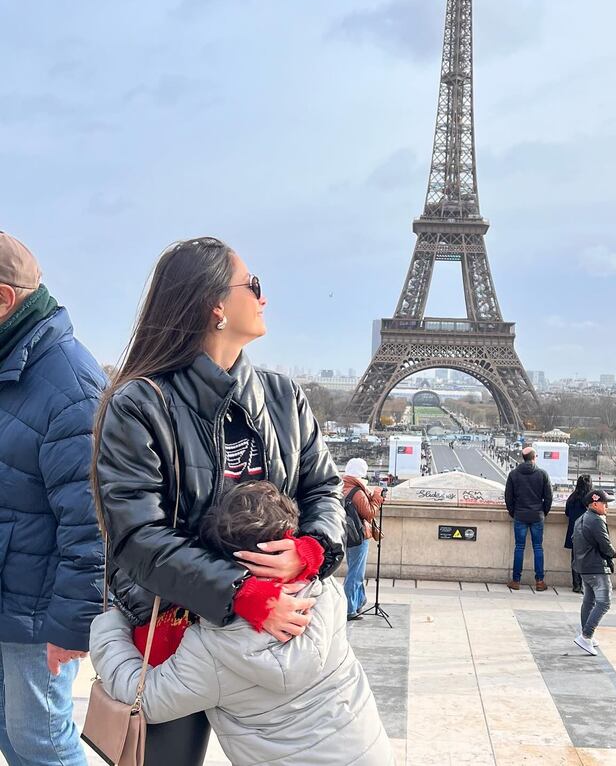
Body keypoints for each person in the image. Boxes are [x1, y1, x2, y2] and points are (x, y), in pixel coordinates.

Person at [93, 237, 346, 763]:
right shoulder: (138, 404)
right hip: (174, 628)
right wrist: (239, 594)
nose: (264, 298)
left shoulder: (283, 396)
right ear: (216, 304)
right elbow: (137, 537)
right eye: (253, 286)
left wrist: (312, 549)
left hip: (271, 628)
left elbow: (323, 490)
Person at [90, 481, 393, 766]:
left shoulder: (216, 649)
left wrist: (108, 624)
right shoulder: (326, 592)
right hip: (365, 753)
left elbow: (142, 698)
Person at [0, 232, 105, 766]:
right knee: (17, 741)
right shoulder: (13, 362)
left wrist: (71, 627)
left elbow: (92, 523)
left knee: (43, 745)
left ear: (4, 299)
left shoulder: (68, 380)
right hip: (11, 600)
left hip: (36, 614)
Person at [572, 489, 616, 656]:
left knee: (589, 600)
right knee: (604, 602)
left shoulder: (580, 519)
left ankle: (588, 636)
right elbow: (606, 546)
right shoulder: (596, 521)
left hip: (583, 566)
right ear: (594, 504)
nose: (606, 506)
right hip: (596, 567)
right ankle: (586, 636)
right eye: (604, 503)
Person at [504, 445, 553, 591]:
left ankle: (516, 580)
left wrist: (514, 512)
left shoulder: (513, 474)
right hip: (537, 515)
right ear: (534, 457)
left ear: (523, 458)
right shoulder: (542, 474)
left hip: (520, 514)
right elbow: (549, 497)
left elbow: (508, 497)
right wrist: (543, 512)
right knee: (538, 547)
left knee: (519, 547)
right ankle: (539, 581)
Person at [343, 458, 385, 621]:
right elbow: (369, 514)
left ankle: (359, 600)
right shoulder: (357, 492)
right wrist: (376, 498)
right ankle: (349, 608)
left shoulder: (342, 487)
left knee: (355, 569)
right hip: (359, 535)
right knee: (356, 572)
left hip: (348, 534)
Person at [564, 474, 593, 594]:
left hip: (574, 532)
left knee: (575, 559)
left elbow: (567, 513)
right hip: (587, 532)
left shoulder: (572, 498)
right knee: (588, 559)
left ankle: (576, 584)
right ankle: (585, 585)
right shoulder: (591, 498)